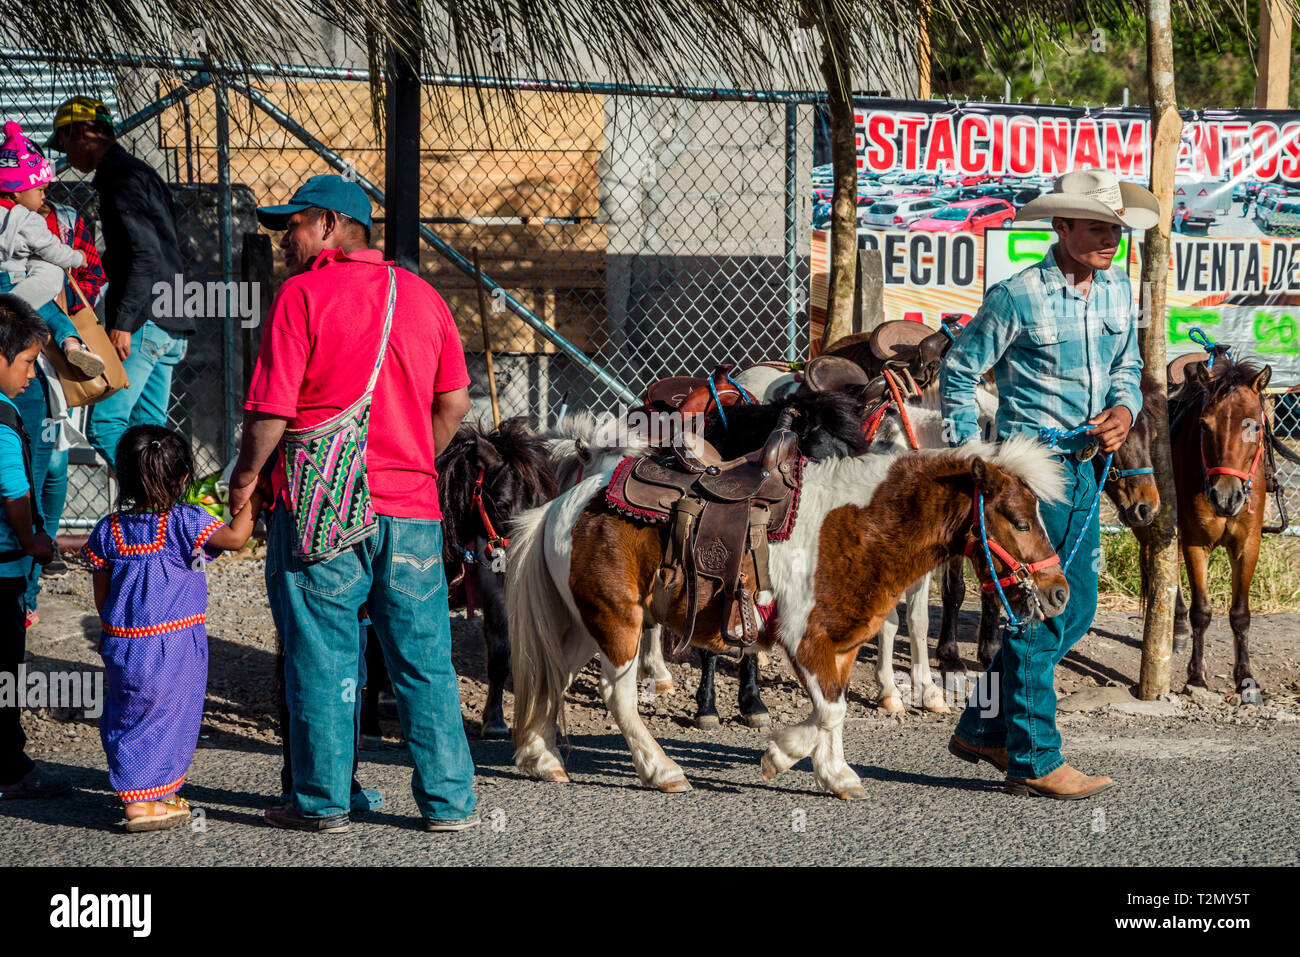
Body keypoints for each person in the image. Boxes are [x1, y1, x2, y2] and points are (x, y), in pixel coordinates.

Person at [228, 174, 477, 833]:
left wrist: (245, 480)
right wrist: (413, 457)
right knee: (424, 658)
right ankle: (450, 803)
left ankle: (323, 801)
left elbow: (271, 410)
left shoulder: (302, 295)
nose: (284, 240)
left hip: (321, 504)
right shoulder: (424, 298)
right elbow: (454, 402)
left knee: (324, 654)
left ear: (332, 227)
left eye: (294, 226)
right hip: (415, 510)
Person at [940, 168, 1155, 800]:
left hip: (1090, 467)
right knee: (1043, 609)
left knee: (1078, 603)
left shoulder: (1118, 290)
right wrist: (972, 461)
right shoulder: (1017, 296)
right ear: (1059, 227)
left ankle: (983, 724)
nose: (1110, 239)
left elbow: (1128, 367)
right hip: (1033, 475)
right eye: (1096, 228)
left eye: (1115, 228)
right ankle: (1034, 758)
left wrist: (1123, 410)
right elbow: (960, 370)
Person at [82, 425, 263, 832]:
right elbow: (235, 538)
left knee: (131, 714)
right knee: (171, 716)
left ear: (122, 477)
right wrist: (258, 496)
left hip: (124, 642)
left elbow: (102, 589)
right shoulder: (185, 520)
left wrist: (113, 630)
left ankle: (152, 791)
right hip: (175, 642)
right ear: (184, 478)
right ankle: (141, 802)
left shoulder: (108, 529)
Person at [47, 96, 195, 468]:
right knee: (151, 436)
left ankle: (149, 501)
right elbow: (157, 247)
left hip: (143, 322)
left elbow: (145, 253)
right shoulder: (142, 172)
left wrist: (124, 323)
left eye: (63, 139)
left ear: (81, 132)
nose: (63, 150)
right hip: (171, 318)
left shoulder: (120, 178)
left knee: (108, 426)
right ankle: (161, 516)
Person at [0, 122, 110, 623]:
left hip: (34, 373)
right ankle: (25, 583)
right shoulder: (23, 229)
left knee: (46, 466)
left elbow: (65, 281)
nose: (44, 192)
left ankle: (27, 587)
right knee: (28, 473)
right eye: (38, 184)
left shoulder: (37, 226)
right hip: (21, 375)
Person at [0, 294, 63, 800]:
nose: (29, 376)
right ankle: (9, 767)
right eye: (24, 363)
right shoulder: (3, 418)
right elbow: (15, 491)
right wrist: (33, 541)